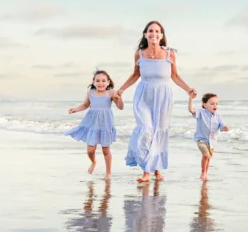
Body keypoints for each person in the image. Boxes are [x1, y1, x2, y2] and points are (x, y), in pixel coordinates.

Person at [116, 21, 197, 183]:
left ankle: (157, 169)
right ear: (145, 34)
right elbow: (135, 75)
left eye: (157, 31)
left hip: (163, 96)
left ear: (161, 35)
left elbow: (175, 76)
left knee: (159, 131)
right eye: (150, 31)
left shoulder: (169, 54)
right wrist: (121, 90)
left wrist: (188, 89)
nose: (154, 34)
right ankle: (146, 171)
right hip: (143, 95)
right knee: (146, 129)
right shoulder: (139, 53)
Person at [66, 69, 124, 180]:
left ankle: (108, 173)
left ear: (108, 82)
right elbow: (85, 105)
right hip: (92, 123)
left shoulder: (111, 92)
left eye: (103, 81)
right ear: (93, 82)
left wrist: (119, 98)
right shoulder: (91, 92)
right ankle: (93, 162)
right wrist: (75, 109)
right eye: (98, 81)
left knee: (106, 150)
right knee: (90, 150)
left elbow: (120, 107)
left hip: (105, 123)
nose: (100, 83)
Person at [188, 93, 229, 181]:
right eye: (212, 103)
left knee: (208, 158)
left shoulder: (218, 116)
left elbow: (222, 126)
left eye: (216, 103)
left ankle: (205, 174)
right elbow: (191, 110)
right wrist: (190, 99)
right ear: (205, 105)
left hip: (212, 142)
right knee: (206, 155)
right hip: (201, 140)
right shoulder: (201, 112)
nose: (215, 105)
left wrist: (225, 128)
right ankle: (203, 173)